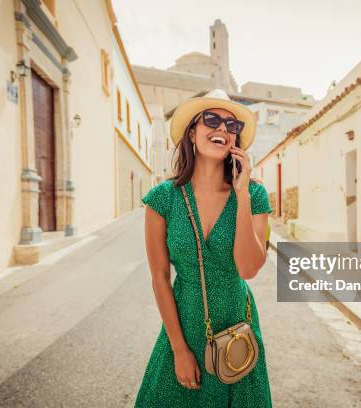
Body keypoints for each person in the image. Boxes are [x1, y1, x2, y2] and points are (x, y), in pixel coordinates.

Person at [135, 89, 273, 407]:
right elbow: (159, 276)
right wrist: (179, 349)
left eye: (231, 125)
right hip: (183, 325)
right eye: (211, 119)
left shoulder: (254, 195)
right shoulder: (163, 198)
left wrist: (242, 196)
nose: (222, 128)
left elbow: (249, 269)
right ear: (192, 132)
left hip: (237, 328)